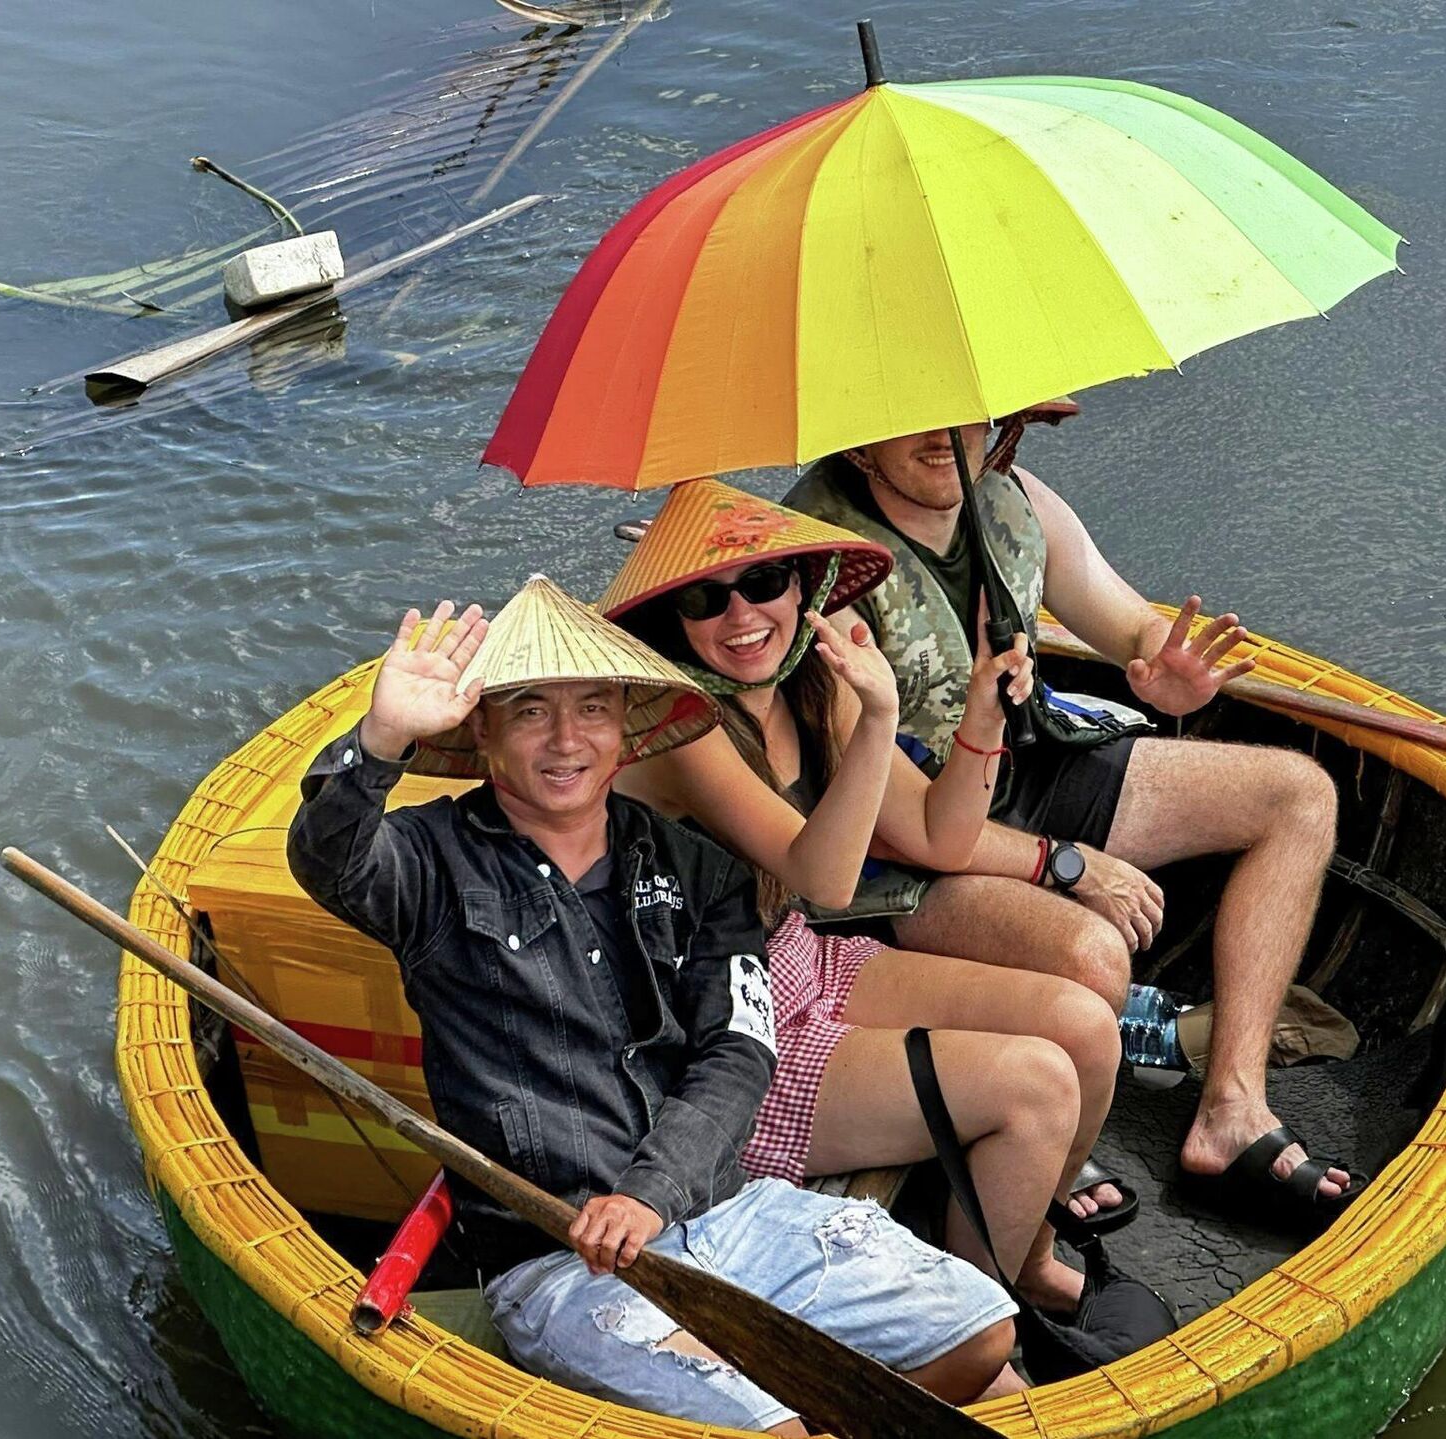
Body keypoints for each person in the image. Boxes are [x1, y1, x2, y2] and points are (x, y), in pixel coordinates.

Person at [285, 576, 1015, 1435]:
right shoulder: (430, 862)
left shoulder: (700, 870)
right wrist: (379, 740)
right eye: (530, 711)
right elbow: (328, 860)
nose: (567, 739)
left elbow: (740, 1050)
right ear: (483, 728)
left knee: (983, 1335)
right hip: (561, 1265)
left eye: (593, 709)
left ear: (627, 725)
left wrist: (652, 1192)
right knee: (774, 1432)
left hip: (726, 1212)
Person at [781, 413, 1361, 1227]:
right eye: (911, 416)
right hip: (901, 857)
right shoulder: (821, 568)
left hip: (1024, 767)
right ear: (856, 433)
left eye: (963, 412)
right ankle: (1033, 1132)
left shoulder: (1015, 499)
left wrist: (1161, 667)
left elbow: (1128, 623)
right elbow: (908, 830)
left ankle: (1231, 1108)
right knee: (1092, 956)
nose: (944, 436)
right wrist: (1070, 864)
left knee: (1299, 795)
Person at [601, 480, 1128, 1335]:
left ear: (800, 587)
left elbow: (940, 835)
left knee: (1088, 1029)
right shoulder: (680, 724)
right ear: (672, 617)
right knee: (1036, 1088)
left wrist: (985, 712)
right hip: (726, 1030)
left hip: (803, 959)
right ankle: (963, 1334)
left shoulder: (814, 680)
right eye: (705, 598)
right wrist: (880, 715)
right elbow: (824, 878)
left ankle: (1023, 1262)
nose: (742, 616)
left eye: (763, 583)